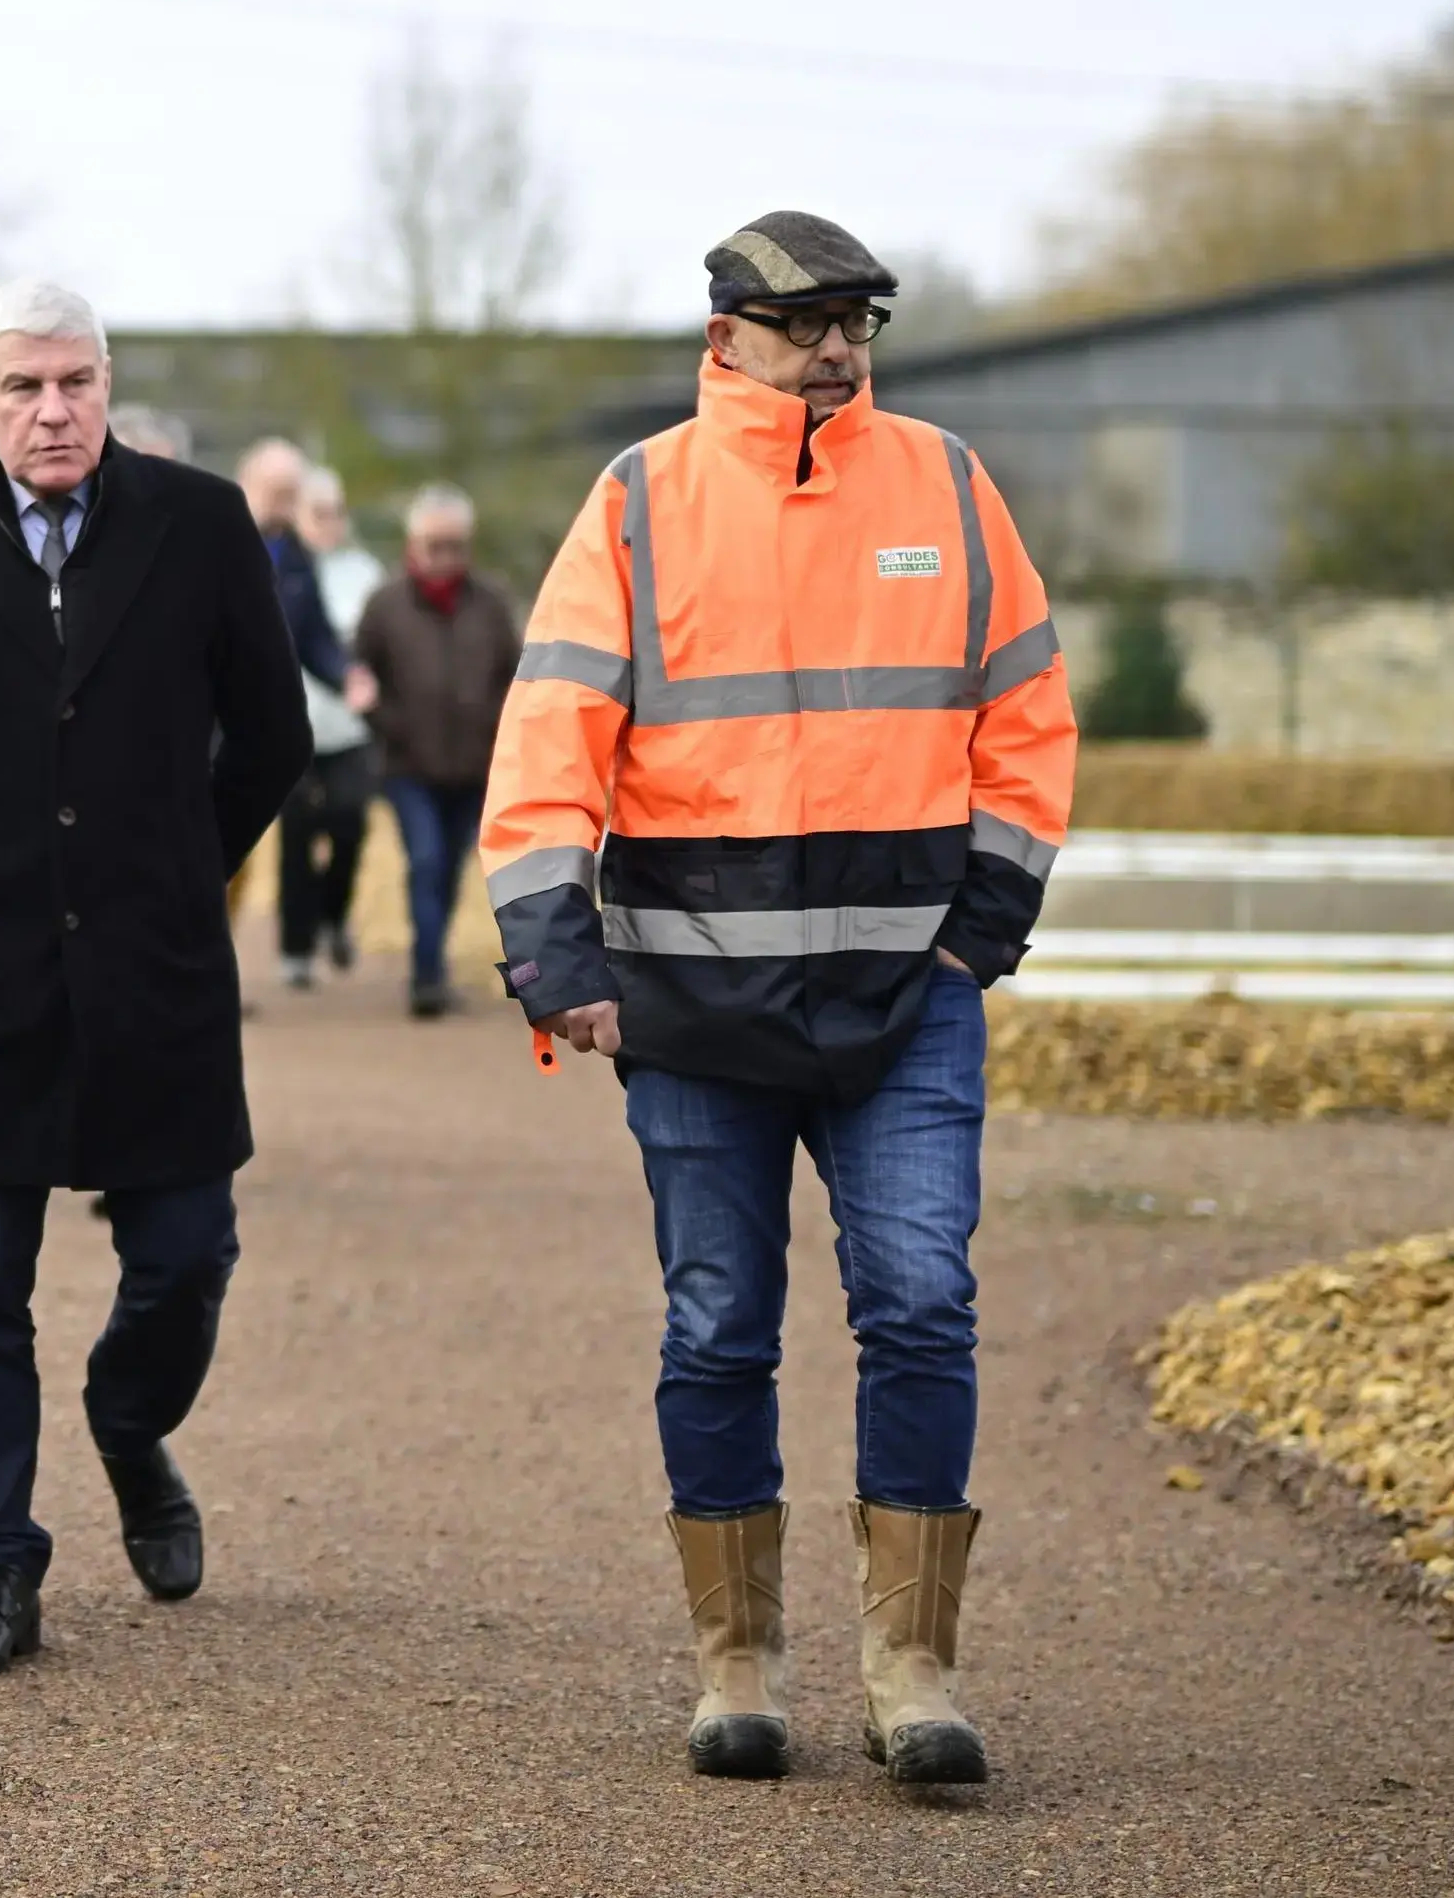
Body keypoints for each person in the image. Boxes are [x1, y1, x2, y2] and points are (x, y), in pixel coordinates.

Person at [480, 211, 1077, 1788]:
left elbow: (1024, 708)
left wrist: (980, 927)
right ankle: (734, 1658)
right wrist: (556, 964)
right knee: (716, 1323)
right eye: (803, 318)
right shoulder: (637, 501)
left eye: (857, 320)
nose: (833, 345)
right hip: (689, 1007)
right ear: (724, 332)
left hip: (905, 997)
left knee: (920, 1305)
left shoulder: (944, 485)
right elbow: (546, 745)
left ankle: (909, 1666)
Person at [0, 281, 307, 1678]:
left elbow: (271, 733)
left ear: (103, 385)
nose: (54, 411)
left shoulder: (198, 523)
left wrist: (174, 867)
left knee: (182, 1259)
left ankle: (126, 1420)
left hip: (156, 967)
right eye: (24, 388)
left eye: (75, 382)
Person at [349, 486, 520, 1019]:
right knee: (424, 861)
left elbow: (514, 677)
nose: (445, 557)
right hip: (408, 766)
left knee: (446, 868)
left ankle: (434, 960)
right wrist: (384, 722)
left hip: (473, 767)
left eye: (455, 545)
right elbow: (360, 674)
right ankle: (426, 978)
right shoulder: (384, 605)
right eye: (435, 545)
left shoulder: (492, 605)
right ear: (413, 544)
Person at [226, 439, 348, 975]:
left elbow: (315, 635)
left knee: (262, 840)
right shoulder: (215, 538)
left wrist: (348, 675)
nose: (289, 501)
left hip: (271, 722)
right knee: (216, 848)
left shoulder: (295, 553)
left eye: (293, 492)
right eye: (280, 492)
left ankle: (241, 954)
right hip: (210, 721)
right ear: (248, 483)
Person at [280, 468, 386, 987]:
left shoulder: (362, 573)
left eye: (334, 513)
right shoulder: (277, 567)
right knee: (295, 832)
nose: (327, 523)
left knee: (349, 823)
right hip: (289, 728)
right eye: (316, 513)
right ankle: (294, 948)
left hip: (347, 730)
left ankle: (333, 914)